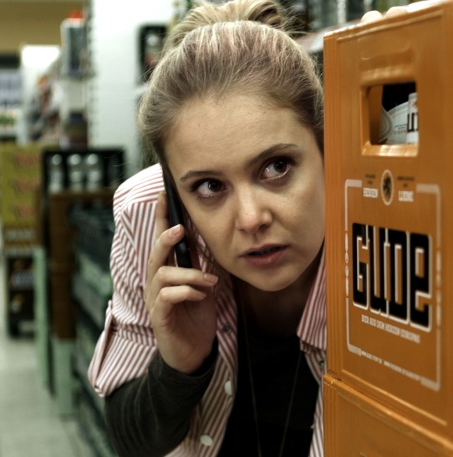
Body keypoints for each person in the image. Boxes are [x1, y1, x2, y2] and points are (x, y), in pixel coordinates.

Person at [87, 0, 327, 456]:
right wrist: (178, 365)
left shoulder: (385, 218)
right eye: (210, 186)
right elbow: (131, 440)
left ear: (326, 147)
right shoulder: (151, 217)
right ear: (174, 192)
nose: (251, 218)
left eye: (277, 166)